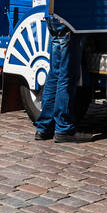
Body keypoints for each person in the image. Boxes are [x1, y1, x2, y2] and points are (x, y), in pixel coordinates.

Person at [33, 16, 96, 145]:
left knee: (54, 75)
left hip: (54, 18)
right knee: (66, 76)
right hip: (69, 19)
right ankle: (63, 128)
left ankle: (44, 127)